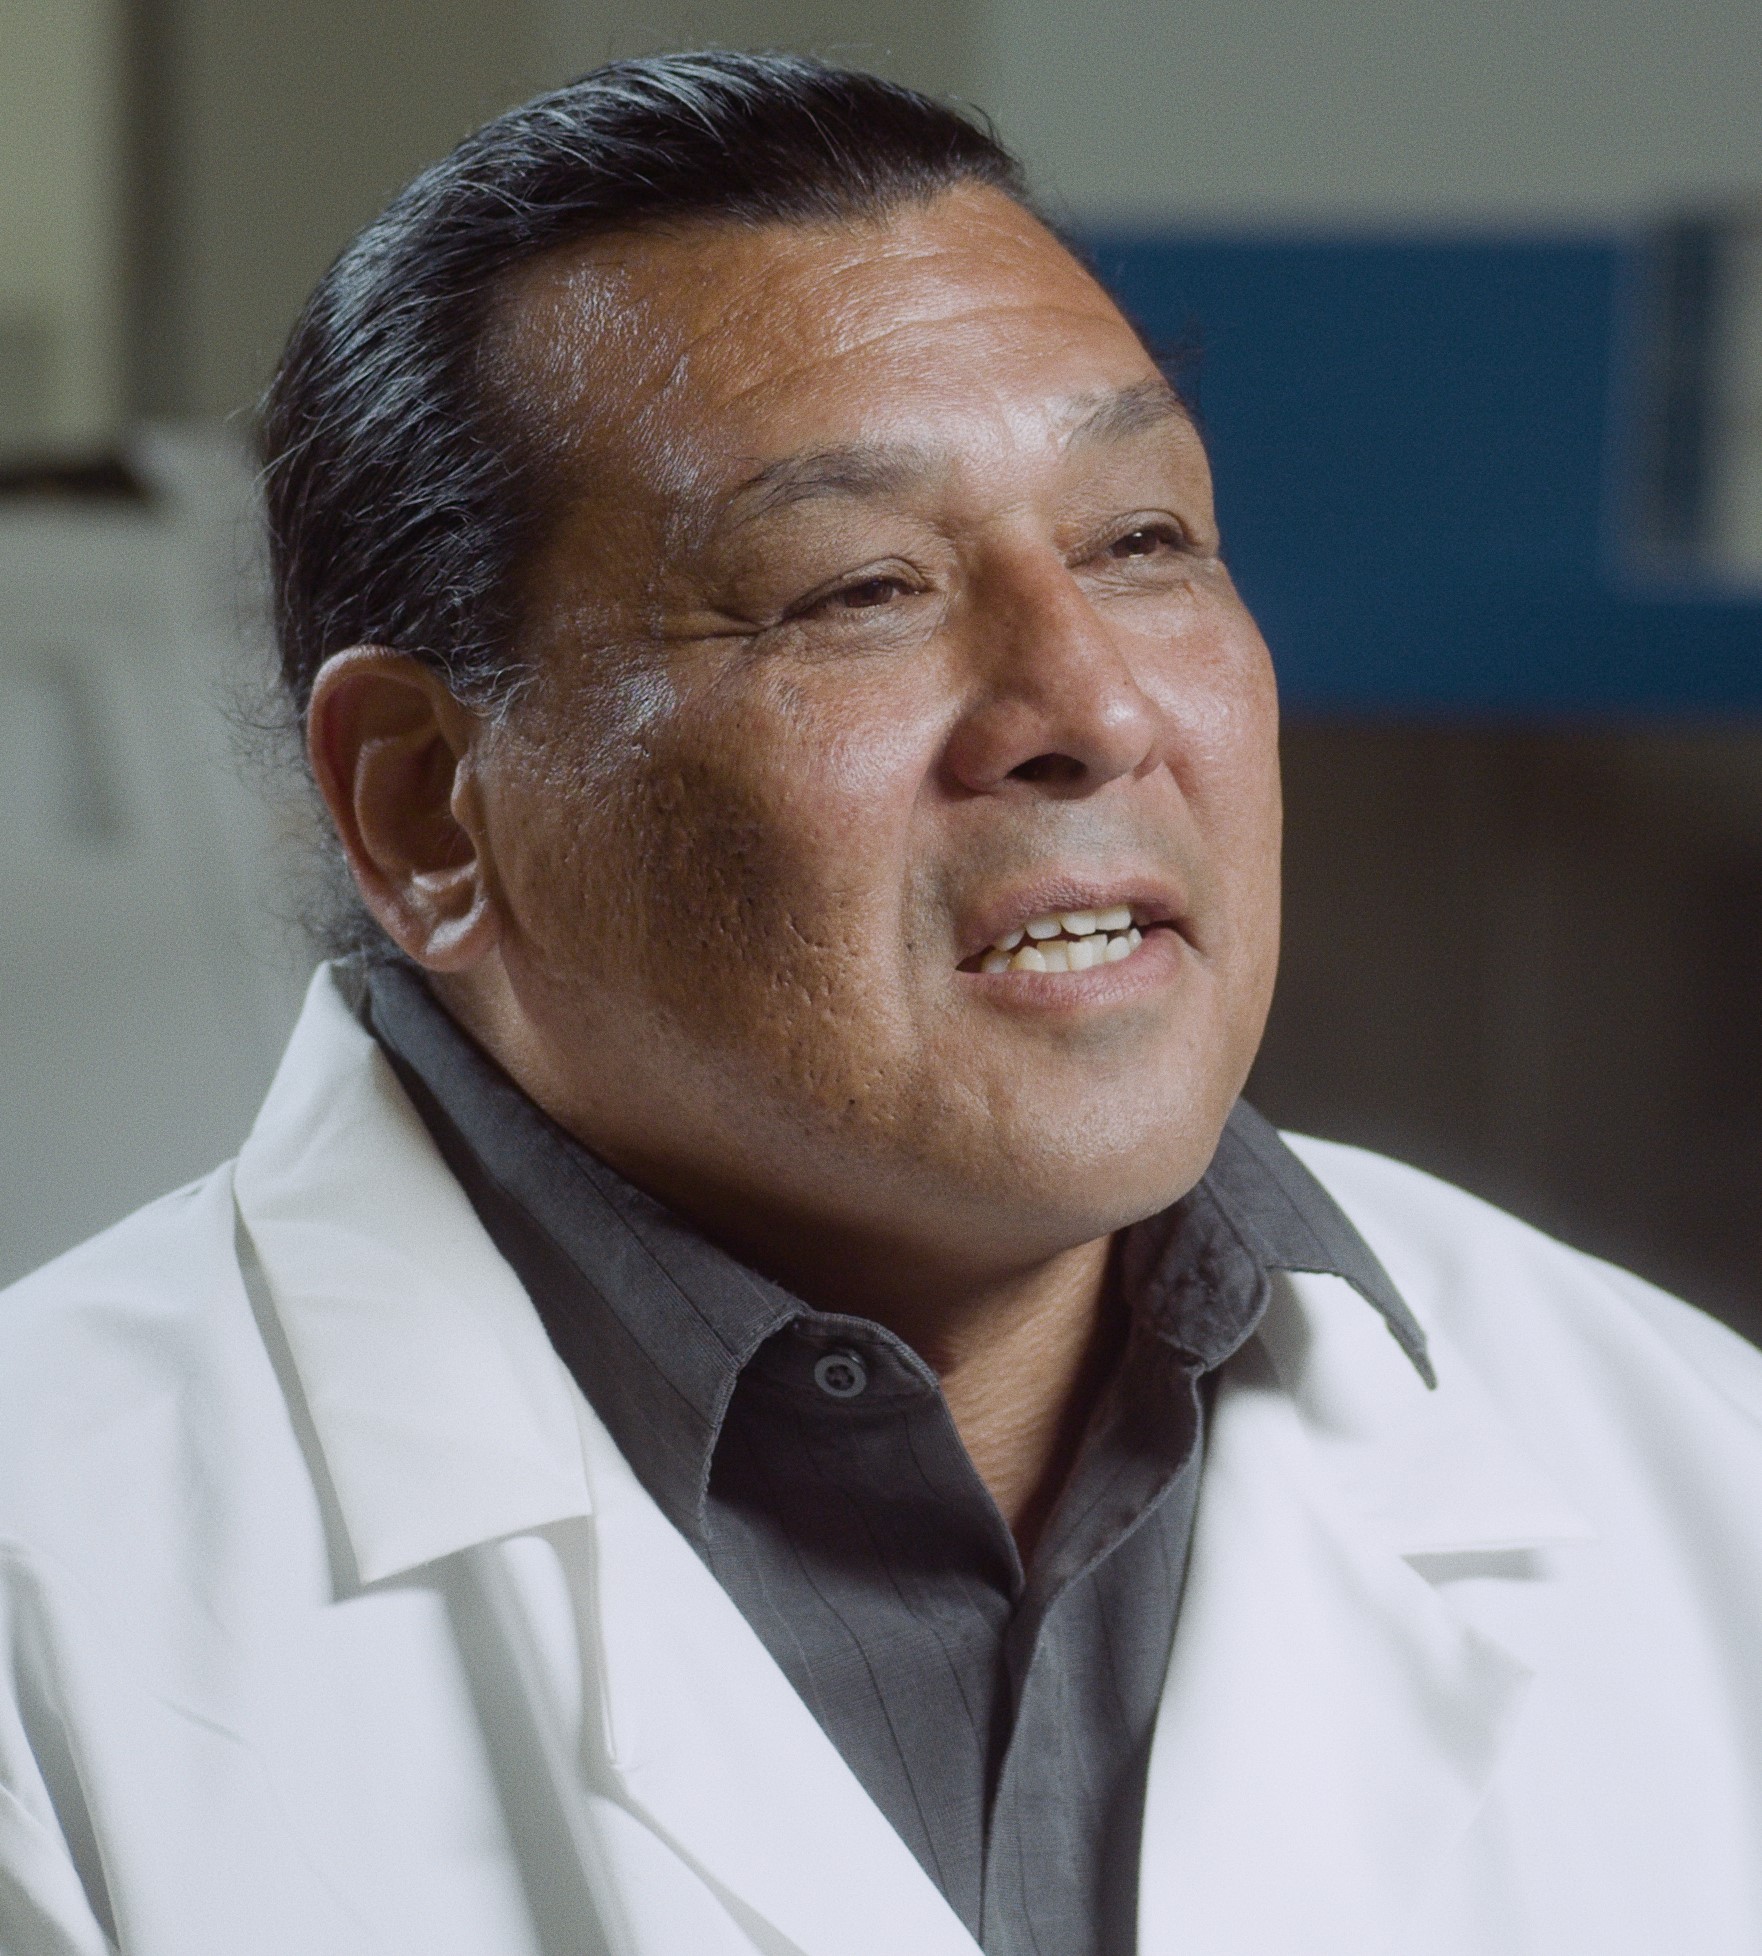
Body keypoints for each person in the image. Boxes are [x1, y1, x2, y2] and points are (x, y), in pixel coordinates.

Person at [2, 53, 1759, 1956]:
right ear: (426, 803)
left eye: (1142, 543)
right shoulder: (57, 1604)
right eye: (856, 589)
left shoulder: (1689, 1471)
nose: (1089, 709)